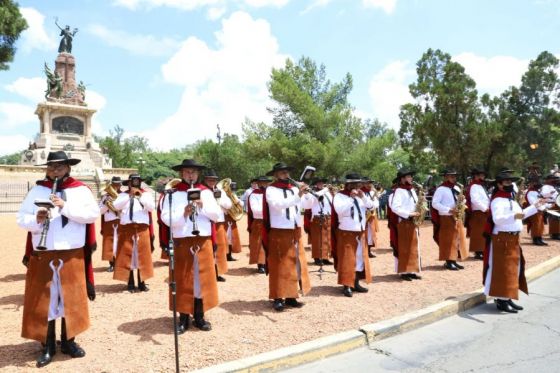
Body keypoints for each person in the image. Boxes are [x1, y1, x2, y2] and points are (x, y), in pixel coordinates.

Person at [17, 151, 99, 367]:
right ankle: (48, 344)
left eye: (60, 167)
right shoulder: (37, 189)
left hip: (71, 253)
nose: (55, 170)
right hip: (44, 253)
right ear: (46, 169)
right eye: (51, 167)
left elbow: (91, 214)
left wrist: (65, 207)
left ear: (68, 168)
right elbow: (21, 219)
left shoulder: (80, 190)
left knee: (71, 299)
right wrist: (36, 218)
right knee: (45, 300)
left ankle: (69, 341)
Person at [161, 159, 221, 332]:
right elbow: (166, 218)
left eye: (193, 172)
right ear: (181, 174)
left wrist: (202, 206)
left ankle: (199, 316)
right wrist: (184, 213)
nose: (190, 175)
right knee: (182, 279)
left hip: (202, 239)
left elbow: (217, 215)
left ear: (198, 174)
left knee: (202, 279)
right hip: (182, 239)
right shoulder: (172, 194)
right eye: (187, 172)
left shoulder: (206, 193)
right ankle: (183, 317)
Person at [484, 170, 545, 313]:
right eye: (506, 182)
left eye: (511, 181)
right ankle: (501, 301)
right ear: (499, 185)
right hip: (502, 238)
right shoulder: (497, 200)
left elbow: (521, 215)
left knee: (512, 269)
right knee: (503, 270)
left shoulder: (510, 199)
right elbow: (497, 219)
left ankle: (507, 297)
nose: (510, 184)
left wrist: (535, 206)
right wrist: (514, 215)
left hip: (512, 237)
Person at [263, 162, 311, 311]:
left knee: (294, 263)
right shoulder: (271, 189)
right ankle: (278, 297)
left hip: (294, 229)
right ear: (276, 174)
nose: (286, 175)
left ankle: (291, 296)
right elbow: (278, 205)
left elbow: (307, 206)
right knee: (279, 264)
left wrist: (307, 193)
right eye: (282, 172)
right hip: (279, 229)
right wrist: (298, 194)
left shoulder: (294, 189)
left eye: (287, 172)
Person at [332, 173, 374, 297]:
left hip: (360, 230)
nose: (357, 186)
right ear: (348, 184)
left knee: (359, 257)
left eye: (358, 183)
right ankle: (347, 285)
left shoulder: (361, 195)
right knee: (347, 258)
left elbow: (371, 206)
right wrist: (351, 198)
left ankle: (355, 282)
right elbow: (339, 210)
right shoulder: (340, 196)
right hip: (346, 231)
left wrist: (364, 198)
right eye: (355, 184)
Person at [112, 174, 155, 292]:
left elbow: (151, 208)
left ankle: (142, 281)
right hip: (127, 228)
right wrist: (129, 196)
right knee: (127, 255)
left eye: (138, 181)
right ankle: (130, 281)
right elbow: (115, 206)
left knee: (142, 255)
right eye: (133, 181)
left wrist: (140, 196)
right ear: (129, 183)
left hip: (141, 228)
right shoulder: (122, 195)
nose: (136, 183)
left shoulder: (146, 194)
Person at [388, 169, 422, 281]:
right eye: (408, 176)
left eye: (411, 176)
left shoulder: (411, 190)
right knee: (404, 248)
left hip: (413, 221)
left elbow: (415, 203)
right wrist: (409, 213)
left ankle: (411, 270)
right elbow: (395, 207)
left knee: (413, 247)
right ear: (402, 179)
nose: (411, 178)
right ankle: (403, 271)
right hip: (404, 221)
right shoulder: (399, 191)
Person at [431, 168, 467, 270]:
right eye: (451, 176)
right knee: (448, 239)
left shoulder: (456, 188)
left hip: (456, 216)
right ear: (445, 177)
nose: (454, 178)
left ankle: (454, 260)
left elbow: (461, 200)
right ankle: (448, 261)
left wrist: (463, 201)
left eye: (455, 176)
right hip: (446, 216)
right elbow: (435, 203)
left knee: (457, 238)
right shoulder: (441, 189)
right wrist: (449, 210)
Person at [203, 170, 232, 282]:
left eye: (214, 180)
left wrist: (219, 199)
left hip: (218, 223)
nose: (212, 182)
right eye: (210, 179)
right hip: (206, 222)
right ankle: (209, 272)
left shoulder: (219, 191)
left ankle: (218, 272)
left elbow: (229, 205)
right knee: (208, 250)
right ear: (205, 180)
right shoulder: (202, 191)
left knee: (219, 248)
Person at [302, 178, 333, 265]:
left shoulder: (327, 193)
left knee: (327, 239)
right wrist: (325, 189)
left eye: (322, 183)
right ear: (316, 184)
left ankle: (325, 257)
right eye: (319, 183)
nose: (321, 184)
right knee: (317, 239)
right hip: (317, 218)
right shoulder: (312, 192)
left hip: (327, 217)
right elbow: (313, 200)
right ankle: (317, 258)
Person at [247, 176, 271, 273]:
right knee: (259, 242)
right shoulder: (254, 195)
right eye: (261, 183)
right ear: (258, 183)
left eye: (265, 183)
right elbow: (255, 210)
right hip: (259, 221)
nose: (263, 184)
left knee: (269, 241)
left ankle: (268, 263)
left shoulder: (270, 194)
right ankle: (261, 264)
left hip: (270, 221)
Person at [99, 176, 123, 272]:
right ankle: (112, 264)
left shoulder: (123, 195)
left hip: (121, 221)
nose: (116, 186)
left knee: (120, 243)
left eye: (118, 184)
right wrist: (106, 203)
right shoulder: (105, 197)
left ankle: (120, 263)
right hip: (109, 222)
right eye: (114, 184)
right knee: (109, 244)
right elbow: (100, 211)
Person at [465, 167, 490, 260]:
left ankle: (482, 250)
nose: (483, 177)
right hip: (478, 212)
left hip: (483, 211)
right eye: (481, 175)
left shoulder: (480, 186)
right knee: (478, 232)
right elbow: (475, 200)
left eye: (483, 175)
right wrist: (485, 208)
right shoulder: (474, 186)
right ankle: (478, 251)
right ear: (475, 176)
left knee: (483, 231)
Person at [524, 175, 547, 246]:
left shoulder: (537, 192)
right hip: (534, 211)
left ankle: (539, 238)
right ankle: (535, 239)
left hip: (540, 210)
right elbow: (533, 202)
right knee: (536, 225)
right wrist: (542, 207)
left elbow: (541, 200)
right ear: (531, 183)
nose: (538, 183)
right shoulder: (530, 192)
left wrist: (544, 206)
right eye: (535, 182)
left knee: (540, 225)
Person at [362, 178, 380, 258]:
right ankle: (363, 251)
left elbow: (377, 203)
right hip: (363, 215)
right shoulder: (360, 192)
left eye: (370, 183)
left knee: (370, 234)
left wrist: (372, 206)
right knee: (363, 234)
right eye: (367, 183)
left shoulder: (372, 192)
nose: (369, 184)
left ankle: (369, 251)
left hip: (371, 215)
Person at [542, 174, 560, 240]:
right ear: (548, 180)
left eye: (555, 179)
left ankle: (557, 233)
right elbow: (544, 195)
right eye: (553, 178)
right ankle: (554, 234)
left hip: (556, 204)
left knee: (557, 219)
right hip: (551, 204)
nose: (555, 180)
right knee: (554, 219)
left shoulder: (553, 186)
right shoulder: (545, 187)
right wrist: (551, 194)